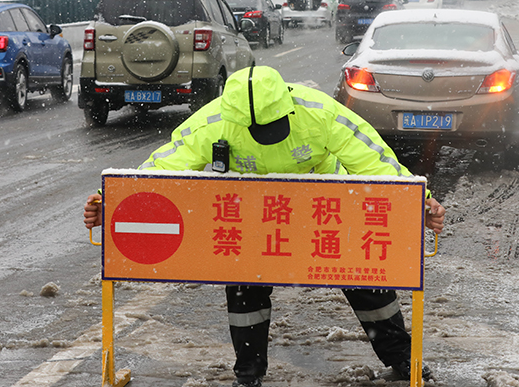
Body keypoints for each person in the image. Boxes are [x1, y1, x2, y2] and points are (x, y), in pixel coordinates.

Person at [84, 65, 445, 387]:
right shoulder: (214, 122)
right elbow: (160, 169)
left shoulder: (319, 113)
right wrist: (109, 202)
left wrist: (419, 203)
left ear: (288, 107)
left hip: (323, 208)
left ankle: (400, 358)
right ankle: (249, 374)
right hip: (257, 212)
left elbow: (375, 161)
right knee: (245, 286)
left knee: (366, 278)